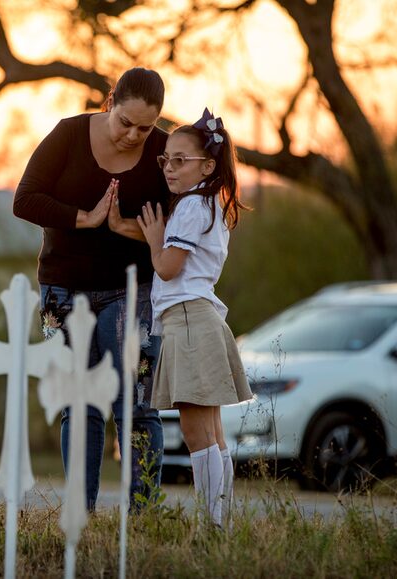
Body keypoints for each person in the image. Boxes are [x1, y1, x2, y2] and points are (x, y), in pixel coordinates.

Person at [14, 67, 171, 511]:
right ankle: (79, 511)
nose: (134, 135)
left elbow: (179, 229)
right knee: (79, 401)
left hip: (133, 288)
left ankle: (145, 514)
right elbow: (24, 199)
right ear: (110, 102)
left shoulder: (163, 150)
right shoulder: (68, 135)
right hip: (63, 289)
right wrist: (84, 218)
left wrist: (126, 228)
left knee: (137, 402)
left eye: (146, 127)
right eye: (126, 122)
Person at [136, 108, 252, 527]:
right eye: (166, 160)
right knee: (213, 433)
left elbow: (167, 268)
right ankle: (220, 520)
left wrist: (153, 241)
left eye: (180, 161)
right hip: (200, 318)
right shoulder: (211, 203)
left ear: (207, 165)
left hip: (188, 322)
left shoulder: (190, 207)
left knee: (196, 432)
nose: (170, 168)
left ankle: (212, 524)